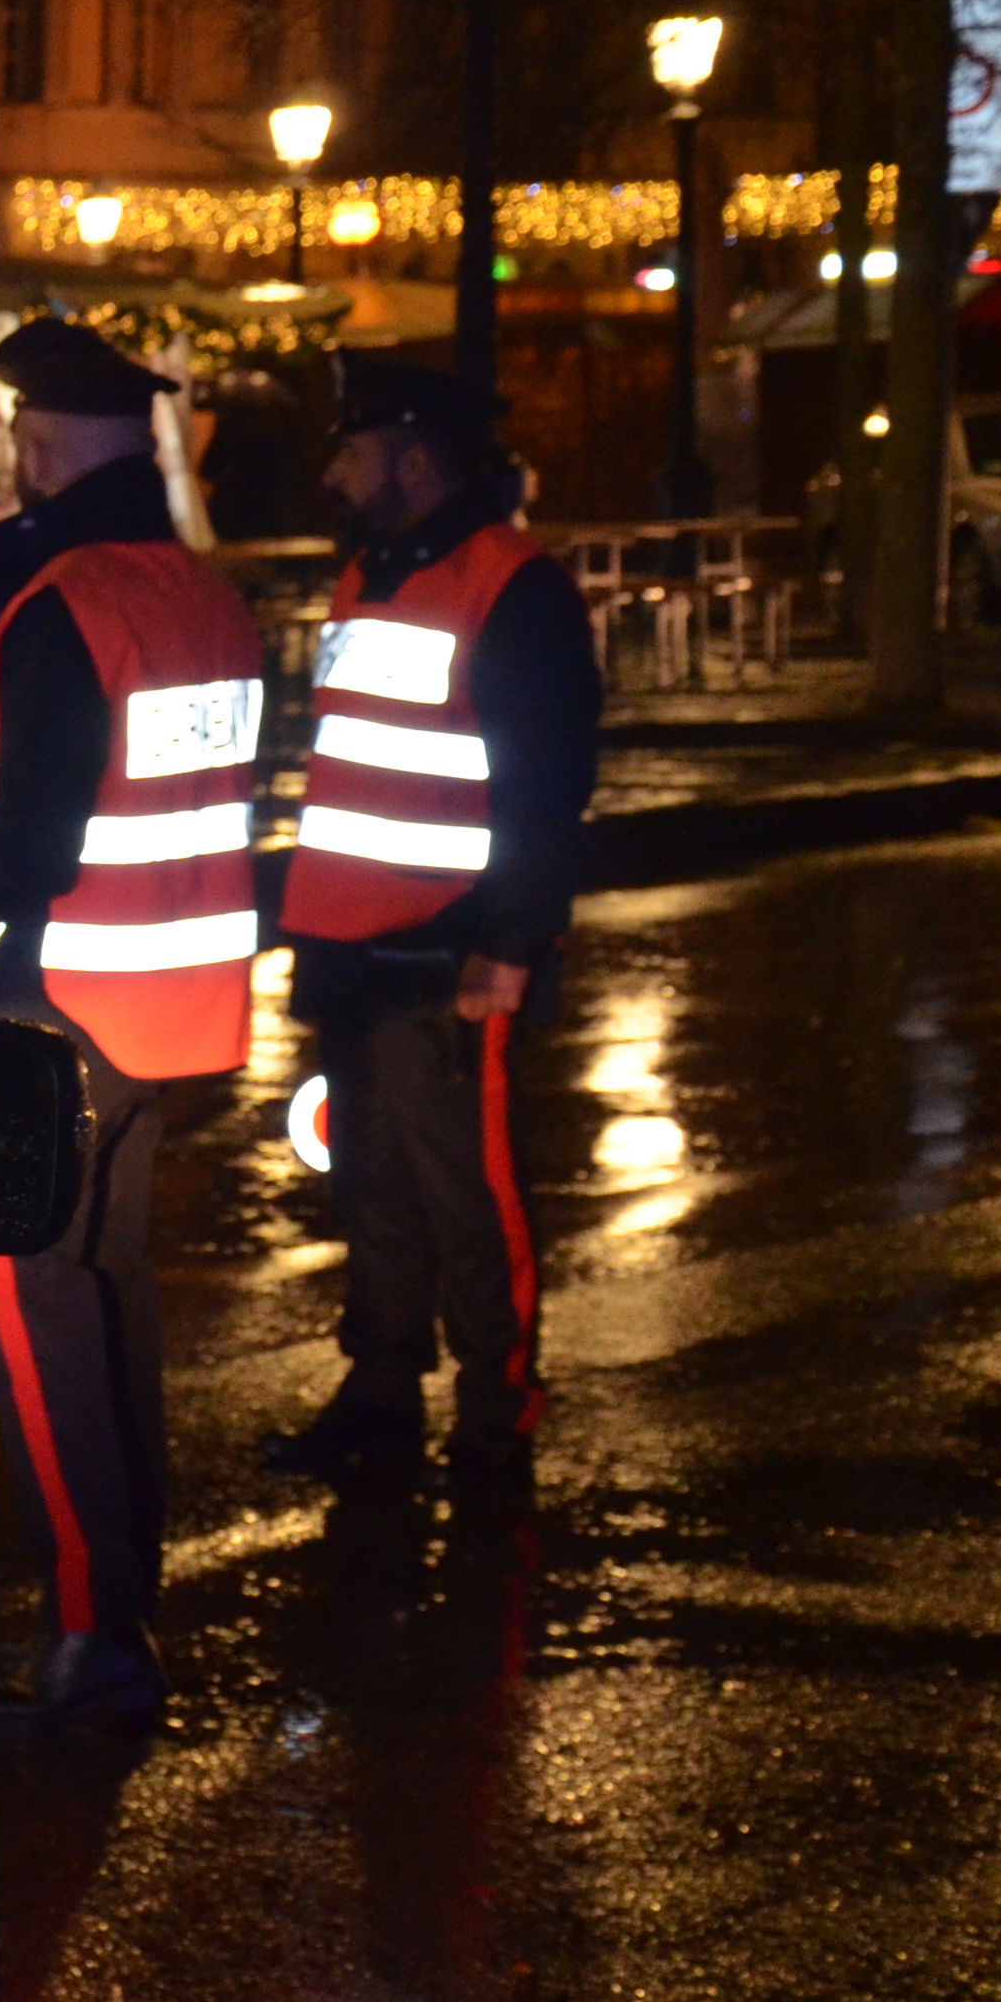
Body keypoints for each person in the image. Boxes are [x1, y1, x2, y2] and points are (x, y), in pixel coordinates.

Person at [0, 317, 266, 1733]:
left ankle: (92, 1633)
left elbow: (35, 839)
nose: (10, 457)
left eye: (20, 435)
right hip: (170, 1008)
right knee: (109, 1299)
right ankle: (122, 1599)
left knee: (36, 1319)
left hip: (56, 1009)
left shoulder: (65, 601)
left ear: (45, 445)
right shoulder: (202, 593)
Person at [260, 355, 602, 1504]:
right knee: (371, 1187)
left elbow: (546, 788)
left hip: (446, 954)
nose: (331, 474)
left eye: (350, 453)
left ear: (412, 461)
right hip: (353, 947)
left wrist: (508, 944)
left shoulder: (511, 586)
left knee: (468, 1196)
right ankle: (381, 1396)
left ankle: (494, 1416)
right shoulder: (370, 575)